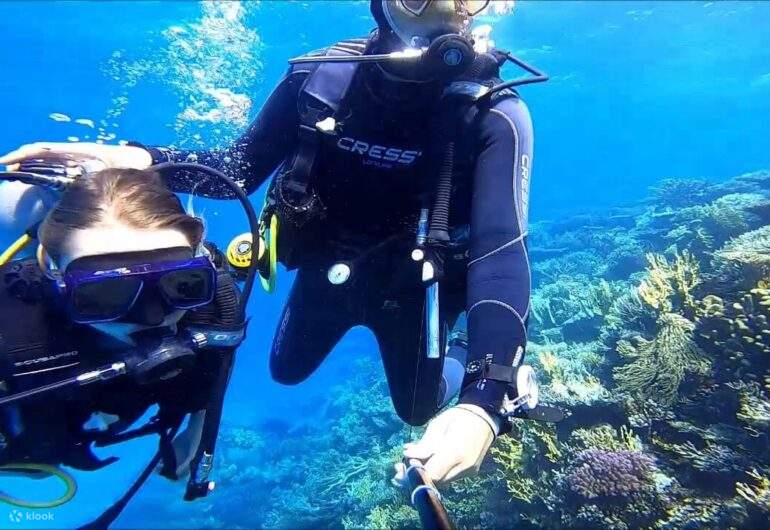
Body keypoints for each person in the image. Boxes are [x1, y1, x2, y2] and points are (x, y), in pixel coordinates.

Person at [1, 0, 544, 487]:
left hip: (414, 282)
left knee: (420, 407)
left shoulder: (494, 112)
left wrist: (482, 402)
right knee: (285, 370)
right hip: (325, 267)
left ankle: (494, 369)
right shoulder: (319, 81)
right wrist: (144, 158)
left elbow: (500, 254)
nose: (446, 14)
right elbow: (240, 168)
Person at [0, 167, 249, 526]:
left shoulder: (212, 306)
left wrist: (196, 432)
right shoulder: (10, 319)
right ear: (52, 272)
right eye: (106, 294)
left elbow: (220, 360)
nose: (153, 318)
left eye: (179, 284)